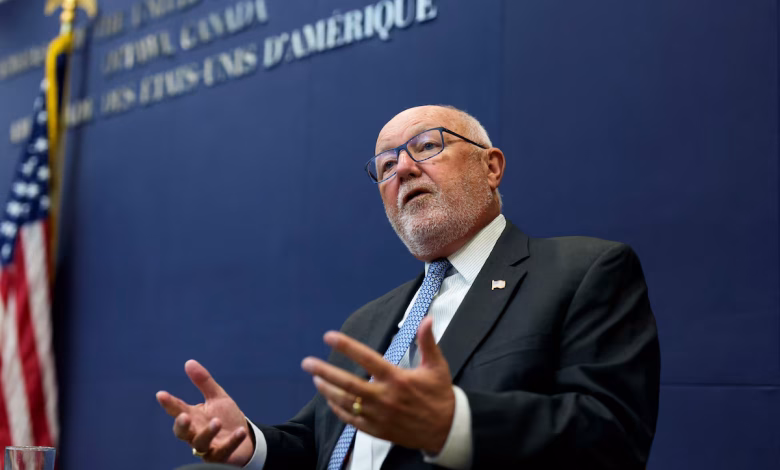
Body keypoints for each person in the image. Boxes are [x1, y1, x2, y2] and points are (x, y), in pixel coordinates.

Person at [156, 105, 660, 470]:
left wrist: (455, 424)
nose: (403, 168)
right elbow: (323, 444)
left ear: (491, 167)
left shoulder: (584, 271)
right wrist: (250, 443)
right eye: (385, 165)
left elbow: (611, 438)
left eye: (427, 146)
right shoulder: (370, 320)